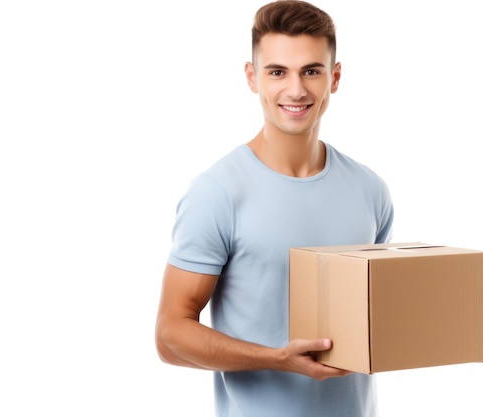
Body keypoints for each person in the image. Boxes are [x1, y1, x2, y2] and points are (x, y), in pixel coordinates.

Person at [155, 1, 394, 416]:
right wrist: (276, 358)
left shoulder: (369, 189)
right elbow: (170, 335)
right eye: (278, 71)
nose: (296, 90)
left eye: (312, 71)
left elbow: (374, 314)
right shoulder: (217, 193)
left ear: (335, 78)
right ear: (252, 78)